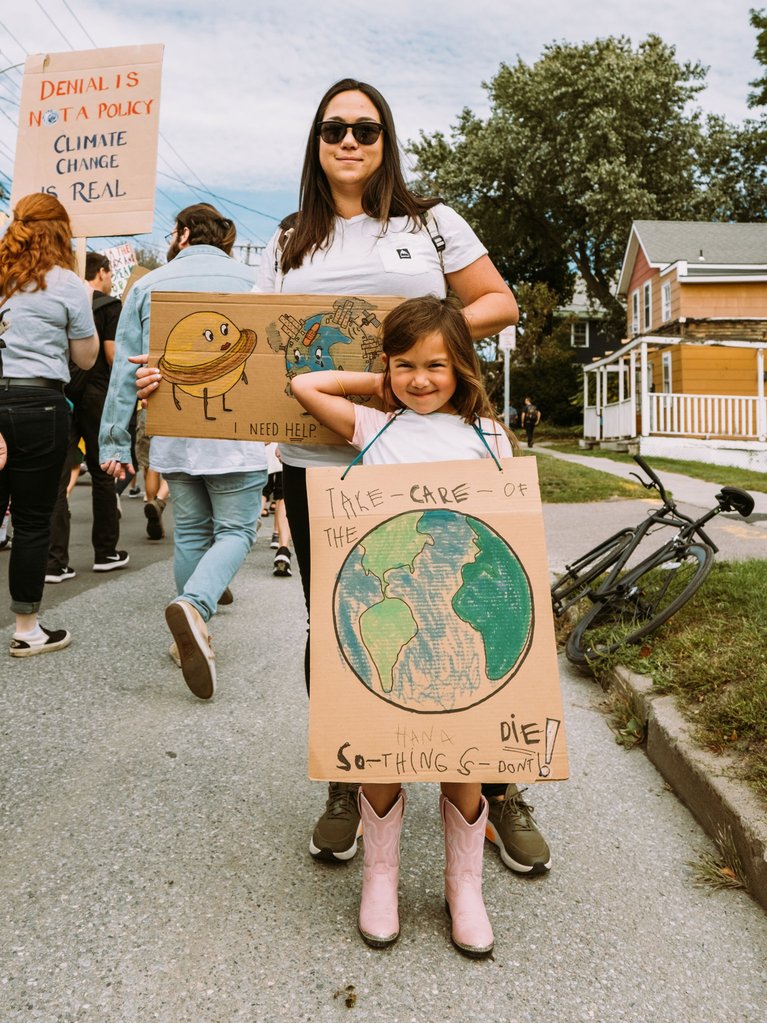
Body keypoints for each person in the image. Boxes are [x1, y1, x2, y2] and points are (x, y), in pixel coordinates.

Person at [254, 78, 550, 878]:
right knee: (335, 622)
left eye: (365, 128)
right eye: (333, 129)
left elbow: (497, 302)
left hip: (431, 458)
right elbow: (253, 347)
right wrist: (164, 383)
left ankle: (497, 782)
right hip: (324, 465)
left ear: (386, 140)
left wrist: (412, 351)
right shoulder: (288, 240)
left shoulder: (431, 223)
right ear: (316, 143)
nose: (349, 140)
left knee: (474, 602)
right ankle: (350, 774)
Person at [292, 295, 516, 955]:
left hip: (458, 619)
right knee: (382, 746)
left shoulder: (488, 436)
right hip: (392, 614)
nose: (421, 379)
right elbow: (305, 385)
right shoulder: (374, 427)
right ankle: (381, 877)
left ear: (462, 366)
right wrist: (379, 383)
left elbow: (509, 530)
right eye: (406, 365)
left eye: (435, 365)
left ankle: (463, 885)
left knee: (464, 750)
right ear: (387, 367)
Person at [99, 203, 268, 699]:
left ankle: (187, 637)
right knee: (237, 529)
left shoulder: (148, 286)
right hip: (238, 431)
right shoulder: (255, 284)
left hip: (173, 429)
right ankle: (194, 606)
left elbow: (125, 371)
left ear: (183, 233)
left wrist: (114, 439)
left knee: (191, 531)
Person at [0, 193, 98, 656]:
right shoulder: (67, 283)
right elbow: (87, 357)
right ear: (61, 232)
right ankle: (26, 629)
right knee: (32, 521)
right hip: (39, 403)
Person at [46, 252, 129, 583]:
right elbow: (111, 355)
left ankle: (55, 561)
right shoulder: (110, 306)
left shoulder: (59, 296)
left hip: (62, 391)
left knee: (57, 474)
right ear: (102, 272)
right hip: (97, 395)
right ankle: (105, 552)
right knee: (102, 470)